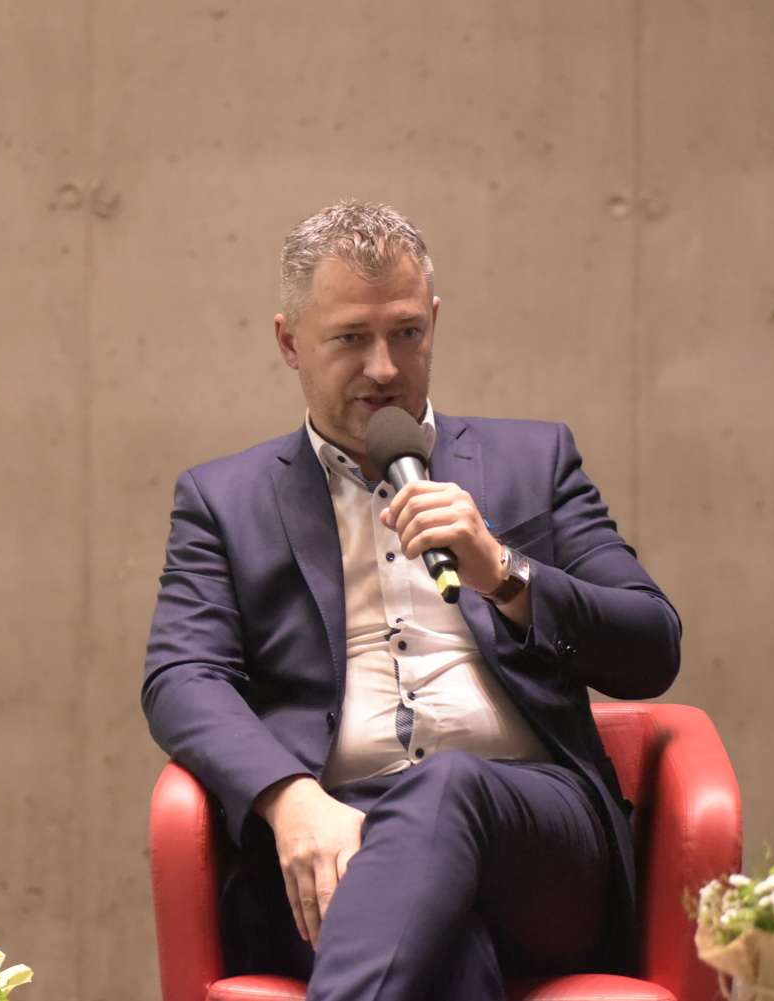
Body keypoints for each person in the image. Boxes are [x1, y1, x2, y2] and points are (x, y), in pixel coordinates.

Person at [142, 200, 681, 1001]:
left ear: (434, 321)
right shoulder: (224, 500)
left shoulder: (536, 460)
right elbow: (182, 677)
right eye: (350, 339)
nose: (386, 368)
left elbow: (651, 646)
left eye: (406, 332)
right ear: (290, 342)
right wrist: (291, 799)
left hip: (535, 837)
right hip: (338, 840)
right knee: (443, 952)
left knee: (448, 786)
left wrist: (504, 572)